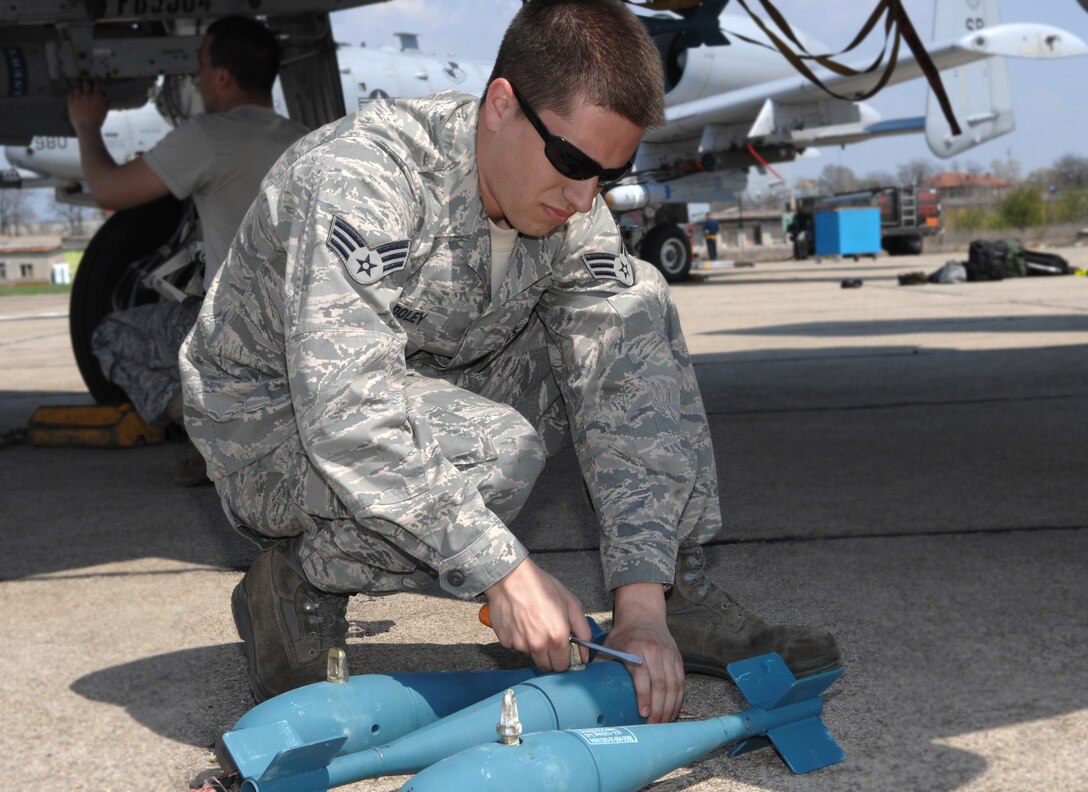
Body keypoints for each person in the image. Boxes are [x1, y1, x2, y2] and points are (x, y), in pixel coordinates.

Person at [180, 0, 840, 722]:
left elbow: (622, 382)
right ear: (501, 105)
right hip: (274, 427)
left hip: (422, 379)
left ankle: (667, 595)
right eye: (573, 162)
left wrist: (637, 602)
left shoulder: (569, 200)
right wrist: (504, 570)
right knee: (498, 453)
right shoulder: (365, 178)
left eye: (609, 176)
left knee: (635, 312)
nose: (585, 196)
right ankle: (303, 579)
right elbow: (346, 408)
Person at [67, 16, 309, 482]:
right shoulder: (304, 137)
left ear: (221, 76)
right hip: (298, 329)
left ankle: (216, 432)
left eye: (200, 65)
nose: (197, 77)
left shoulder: (209, 135)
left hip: (235, 333)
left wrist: (85, 126)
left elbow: (108, 191)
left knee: (109, 335)